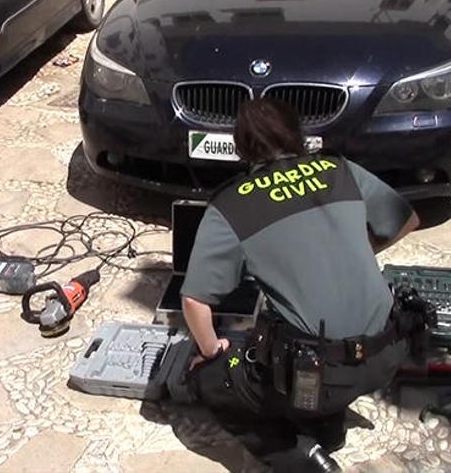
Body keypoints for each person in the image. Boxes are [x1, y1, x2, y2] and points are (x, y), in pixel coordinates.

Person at [180, 98, 423, 469]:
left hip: (320, 373)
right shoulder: (340, 169)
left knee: (211, 378)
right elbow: (407, 220)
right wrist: (361, 250)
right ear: (297, 133)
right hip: (388, 353)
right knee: (302, 347)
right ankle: (327, 423)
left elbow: (195, 302)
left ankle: (302, 458)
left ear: (241, 146)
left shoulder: (233, 203)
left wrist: (212, 350)